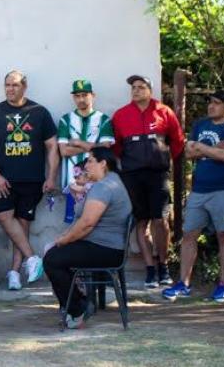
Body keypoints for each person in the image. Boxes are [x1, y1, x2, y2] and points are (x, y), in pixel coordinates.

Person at [0, 70, 58, 290]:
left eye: (14, 85)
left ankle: (14, 273)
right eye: (7, 85)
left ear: (24, 86)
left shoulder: (39, 112)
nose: (10, 89)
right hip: (4, 180)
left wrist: (51, 176)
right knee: (3, 215)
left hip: (32, 180)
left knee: (21, 226)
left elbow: (52, 146)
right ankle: (32, 258)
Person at [161, 91, 224, 303]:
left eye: (217, 103)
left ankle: (223, 284)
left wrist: (201, 147)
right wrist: (211, 149)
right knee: (189, 235)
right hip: (199, 190)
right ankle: (183, 283)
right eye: (210, 103)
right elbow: (188, 153)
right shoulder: (200, 125)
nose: (211, 106)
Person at [44, 146, 133, 329]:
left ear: (103, 164)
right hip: (104, 247)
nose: (86, 165)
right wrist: (66, 236)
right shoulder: (112, 181)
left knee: (52, 259)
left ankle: (77, 309)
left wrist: (65, 240)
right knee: (55, 254)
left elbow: (87, 223)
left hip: (105, 249)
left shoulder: (104, 187)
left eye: (91, 161)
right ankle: (77, 302)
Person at [111, 74, 185, 288]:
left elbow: (177, 142)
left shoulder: (164, 112)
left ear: (150, 90)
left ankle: (164, 266)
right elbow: (116, 146)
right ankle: (150, 269)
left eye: (141, 87)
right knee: (141, 222)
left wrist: (161, 160)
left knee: (160, 220)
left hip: (157, 175)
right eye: (133, 87)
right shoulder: (121, 115)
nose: (136, 91)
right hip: (132, 176)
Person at [56, 79, 114, 223]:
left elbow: (106, 147)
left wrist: (77, 142)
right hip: (72, 181)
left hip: (98, 182)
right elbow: (63, 151)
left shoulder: (103, 119)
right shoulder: (65, 120)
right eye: (77, 96)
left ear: (92, 95)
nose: (81, 99)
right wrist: (92, 146)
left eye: (84, 95)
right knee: (75, 222)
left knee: (96, 223)